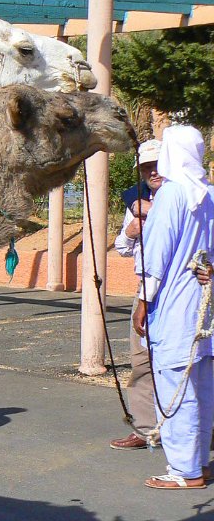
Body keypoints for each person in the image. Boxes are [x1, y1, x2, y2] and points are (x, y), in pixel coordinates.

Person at [132, 126, 214, 489]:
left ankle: (184, 470)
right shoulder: (209, 194)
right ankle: (199, 462)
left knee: (175, 386)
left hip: (175, 307)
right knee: (202, 386)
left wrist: (142, 302)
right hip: (204, 307)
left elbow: (157, 254)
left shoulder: (170, 195)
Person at [109, 139, 162, 450]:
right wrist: (128, 234)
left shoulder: (188, 199)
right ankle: (144, 429)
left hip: (180, 292)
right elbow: (122, 249)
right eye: (146, 167)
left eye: (157, 165)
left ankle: (194, 433)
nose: (152, 171)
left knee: (187, 365)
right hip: (144, 290)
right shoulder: (137, 202)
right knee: (142, 362)